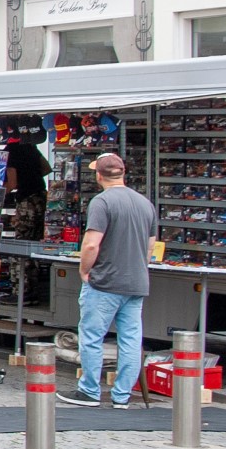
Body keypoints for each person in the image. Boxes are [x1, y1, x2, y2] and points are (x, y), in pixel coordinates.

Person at [61, 152, 158, 409]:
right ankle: (122, 396)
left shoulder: (102, 202)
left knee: (92, 336)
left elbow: (91, 244)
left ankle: (90, 391)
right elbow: (150, 247)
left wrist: (84, 270)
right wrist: (138, 268)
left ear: (99, 176)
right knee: (131, 340)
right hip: (136, 282)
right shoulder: (145, 204)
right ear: (123, 173)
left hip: (105, 282)